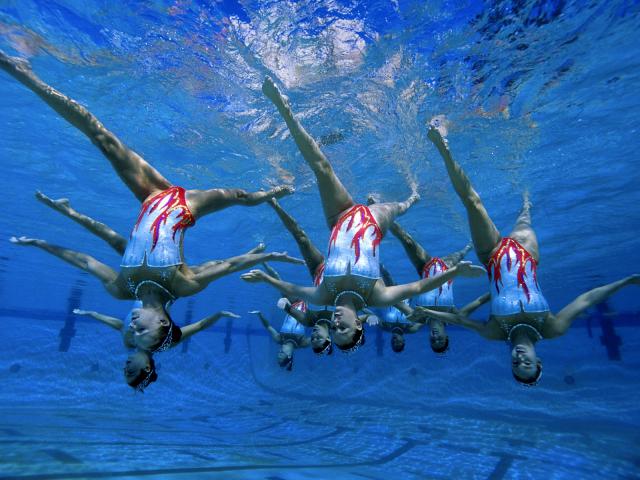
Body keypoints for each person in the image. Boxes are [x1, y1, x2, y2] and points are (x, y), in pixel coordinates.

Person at [1, 51, 304, 353]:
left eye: (131, 334)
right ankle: (271, 192)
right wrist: (271, 256)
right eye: (140, 331)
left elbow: (83, 261)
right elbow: (228, 265)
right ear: (162, 324)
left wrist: (40, 244)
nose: (131, 327)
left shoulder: (122, 289)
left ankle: (23, 72)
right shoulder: (183, 285)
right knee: (242, 198)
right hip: (187, 204)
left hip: (148, 196)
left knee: (101, 137)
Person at [240, 77, 485, 353]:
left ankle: (284, 109)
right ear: (358, 325)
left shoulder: (324, 295)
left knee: (322, 168)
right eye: (343, 328)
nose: (335, 324)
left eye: (334, 330)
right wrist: (455, 271)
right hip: (372, 220)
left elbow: (294, 290)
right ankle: (411, 198)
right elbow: (418, 288)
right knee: (399, 207)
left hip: (339, 217)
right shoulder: (376, 296)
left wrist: (265, 279)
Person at [420, 117, 640, 384]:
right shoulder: (551, 327)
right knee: (524, 219)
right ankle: (525, 202)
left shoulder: (494, 332)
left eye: (515, 367)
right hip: (527, 253)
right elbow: (588, 299)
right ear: (538, 361)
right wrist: (627, 281)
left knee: (473, 203)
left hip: (491, 255)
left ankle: (443, 145)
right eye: (527, 365)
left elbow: (457, 319)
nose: (519, 361)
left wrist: (425, 313)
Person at [368, 196, 478, 354]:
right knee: (462, 253)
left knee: (407, 241)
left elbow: (398, 302)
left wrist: (370, 298)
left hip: (424, 268)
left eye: (432, 342)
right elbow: (479, 301)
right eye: (440, 340)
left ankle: (380, 211)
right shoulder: (453, 315)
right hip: (447, 268)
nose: (435, 338)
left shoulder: (418, 318)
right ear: (446, 336)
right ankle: (469, 246)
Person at [74, 305, 238, 390]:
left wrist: (92, 314)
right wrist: (219, 314)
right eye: (130, 371)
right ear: (146, 367)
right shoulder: (166, 342)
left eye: (124, 370)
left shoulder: (129, 342)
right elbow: (199, 326)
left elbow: (118, 325)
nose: (125, 366)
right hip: (161, 292)